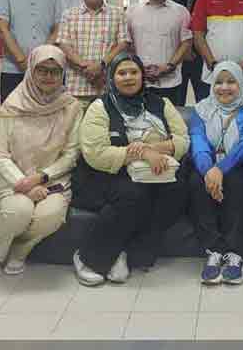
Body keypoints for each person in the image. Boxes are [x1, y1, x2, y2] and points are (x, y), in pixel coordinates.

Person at [71, 53, 190, 286]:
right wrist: (141, 153)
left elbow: (183, 139)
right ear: (112, 78)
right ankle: (88, 258)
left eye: (134, 72)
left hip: (155, 171)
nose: (128, 77)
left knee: (177, 190)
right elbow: (96, 153)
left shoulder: (161, 103)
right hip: (106, 174)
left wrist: (151, 149)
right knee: (133, 194)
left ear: (142, 76)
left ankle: (127, 251)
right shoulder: (100, 107)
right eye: (122, 73)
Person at [0, 45, 83, 278]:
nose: (48, 76)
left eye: (55, 71)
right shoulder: (12, 105)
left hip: (53, 181)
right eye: (42, 70)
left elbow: (71, 154)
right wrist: (24, 183)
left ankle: (20, 250)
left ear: (63, 74)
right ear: (31, 70)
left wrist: (42, 177)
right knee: (18, 211)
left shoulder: (71, 107)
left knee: (50, 215)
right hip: (14, 180)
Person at [188, 62, 243, 284]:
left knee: (237, 181)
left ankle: (237, 253)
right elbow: (198, 143)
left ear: (241, 83)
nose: (224, 87)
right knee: (195, 182)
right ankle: (214, 250)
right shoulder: (201, 110)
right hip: (209, 166)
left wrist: (220, 170)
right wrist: (209, 171)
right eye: (219, 82)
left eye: (231, 81)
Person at [55, 0, 127, 108]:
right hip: (76, 88)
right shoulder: (69, 15)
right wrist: (86, 67)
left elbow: (123, 44)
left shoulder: (118, 14)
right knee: (75, 122)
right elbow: (63, 45)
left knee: (106, 121)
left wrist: (101, 65)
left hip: (107, 87)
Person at [125, 0, 193, 104]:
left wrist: (169, 66)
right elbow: (127, 43)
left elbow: (186, 43)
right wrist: (138, 67)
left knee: (171, 117)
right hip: (138, 80)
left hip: (171, 82)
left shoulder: (181, 12)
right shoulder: (132, 12)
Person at [170, 0, 218, 104]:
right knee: (175, 100)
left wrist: (194, 45)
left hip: (205, 50)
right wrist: (184, 47)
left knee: (206, 99)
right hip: (177, 50)